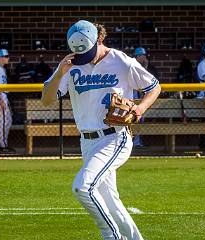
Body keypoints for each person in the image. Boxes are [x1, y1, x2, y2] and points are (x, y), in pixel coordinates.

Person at [41, 20, 161, 240]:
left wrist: (140, 108)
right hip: (87, 141)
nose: (83, 57)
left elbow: (153, 86)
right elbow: (46, 100)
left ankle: (111, 235)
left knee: (83, 188)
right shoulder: (71, 64)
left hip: (114, 138)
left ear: (99, 38)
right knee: (110, 201)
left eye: (87, 50)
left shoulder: (121, 61)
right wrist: (59, 73)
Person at [0, 49, 15, 153]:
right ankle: (2, 146)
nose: (8, 58)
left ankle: (4, 143)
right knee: (4, 122)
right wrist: (1, 99)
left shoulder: (1, 69)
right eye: (6, 56)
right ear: (0, 58)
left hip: (3, 95)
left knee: (7, 121)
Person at [132, 47, 158, 147]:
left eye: (143, 55)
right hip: (134, 95)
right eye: (140, 56)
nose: (142, 57)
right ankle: (134, 142)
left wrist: (146, 66)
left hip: (145, 98)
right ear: (136, 57)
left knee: (140, 120)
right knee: (133, 118)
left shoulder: (149, 67)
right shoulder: (132, 65)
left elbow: (155, 82)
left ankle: (137, 142)